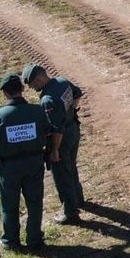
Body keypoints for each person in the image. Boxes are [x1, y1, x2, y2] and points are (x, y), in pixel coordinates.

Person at [0, 73, 53, 251]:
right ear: (21, 89)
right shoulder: (37, 111)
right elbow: (48, 131)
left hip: (9, 167)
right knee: (35, 202)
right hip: (34, 163)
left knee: (10, 204)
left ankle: (10, 241)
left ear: (5, 92)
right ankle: (35, 239)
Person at [21, 63, 86, 224]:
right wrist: (69, 112)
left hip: (61, 138)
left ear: (39, 78)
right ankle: (78, 199)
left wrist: (54, 150)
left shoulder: (47, 99)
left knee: (62, 173)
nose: (33, 88)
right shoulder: (62, 82)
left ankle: (70, 212)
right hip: (73, 129)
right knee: (71, 165)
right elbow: (77, 94)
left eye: (33, 84)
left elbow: (56, 129)